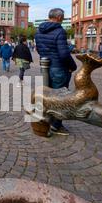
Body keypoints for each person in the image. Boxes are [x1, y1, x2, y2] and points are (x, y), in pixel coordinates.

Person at [35, 8, 77, 136]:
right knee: (60, 98)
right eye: (63, 17)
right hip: (59, 68)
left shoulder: (38, 31)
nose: (63, 19)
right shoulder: (60, 31)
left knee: (47, 96)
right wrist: (72, 66)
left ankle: (46, 120)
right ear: (58, 17)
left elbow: (38, 49)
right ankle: (56, 125)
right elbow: (64, 54)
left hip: (46, 68)